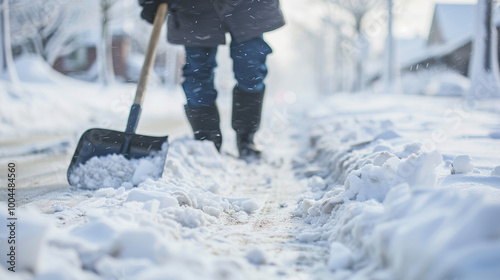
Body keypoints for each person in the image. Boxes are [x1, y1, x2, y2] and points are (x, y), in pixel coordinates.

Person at [139, 0, 285, 159]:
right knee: (197, 71)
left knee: (251, 64)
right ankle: (207, 142)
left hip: (246, 5)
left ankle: (246, 137)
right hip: (193, 7)